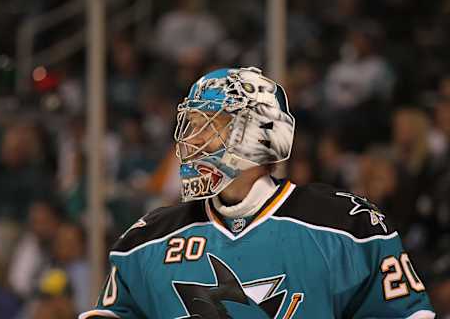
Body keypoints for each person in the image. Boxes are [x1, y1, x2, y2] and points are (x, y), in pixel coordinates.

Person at [79, 67, 435, 318]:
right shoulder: (144, 241)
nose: (194, 139)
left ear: (262, 133)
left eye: (211, 125)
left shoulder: (349, 228)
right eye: (192, 125)